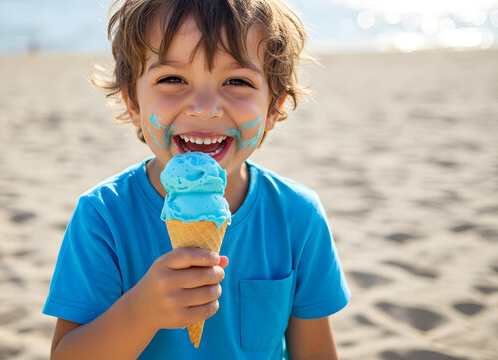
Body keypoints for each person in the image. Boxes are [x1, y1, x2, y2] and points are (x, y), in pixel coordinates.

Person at [43, 0, 350, 358]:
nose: (204, 107)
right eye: (172, 79)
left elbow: (315, 351)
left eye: (237, 81)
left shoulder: (298, 216)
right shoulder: (102, 216)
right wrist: (141, 312)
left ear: (273, 108)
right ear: (134, 105)